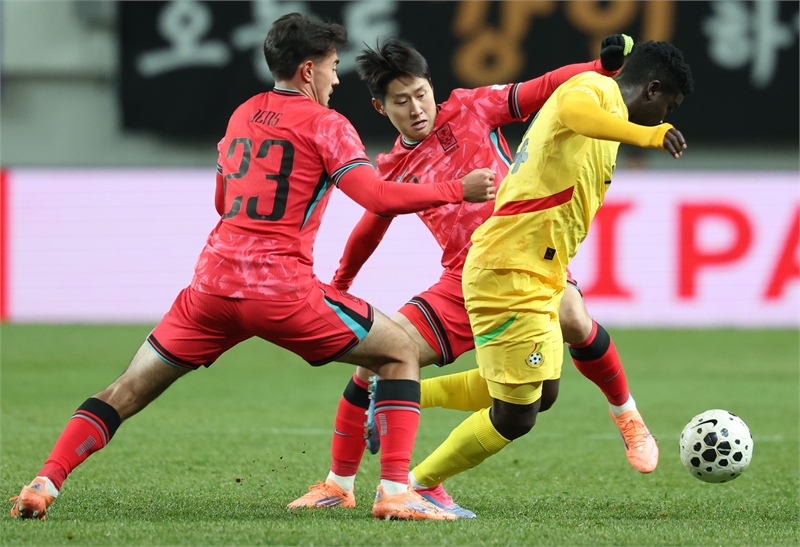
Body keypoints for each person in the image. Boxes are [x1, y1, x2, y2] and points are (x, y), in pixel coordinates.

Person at [8, 13, 497, 522]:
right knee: (398, 350)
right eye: (332, 67)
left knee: (125, 389)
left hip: (210, 290)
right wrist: (456, 189)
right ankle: (395, 491)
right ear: (308, 70)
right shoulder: (327, 125)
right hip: (281, 291)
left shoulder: (243, 114)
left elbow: (223, 199)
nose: (336, 80)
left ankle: (45, 481)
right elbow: (374, 196)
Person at [288, 35, 667, 517]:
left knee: (558, 358)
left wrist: (600, 66)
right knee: (378, 355)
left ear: (432, 86)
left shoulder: (472, 108)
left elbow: (543, 87)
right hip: (461, 282)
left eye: (421, 94)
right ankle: (339, 484)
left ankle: (627, 415)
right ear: (380, 108)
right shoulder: (394, 166)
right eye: (401, 102)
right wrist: (341, 284)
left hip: (528, 261)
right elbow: (369, 228)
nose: (416, 108)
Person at [406, 40, 694, 504]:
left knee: (542, 393)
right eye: (668, 107)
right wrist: (647, 136)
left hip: (540, 271)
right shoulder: (593, 90)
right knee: (516, 415)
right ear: (653, 89)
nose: (663, 117)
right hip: (509, 267)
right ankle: (419, 485)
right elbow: (576, 112)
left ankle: (401, 393)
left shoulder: (608, 120)